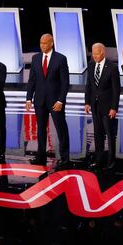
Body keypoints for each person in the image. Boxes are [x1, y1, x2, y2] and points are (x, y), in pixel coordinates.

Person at [25, 34, 71, 169]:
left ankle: (65, 158)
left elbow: (65, 83)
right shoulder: (36, 58)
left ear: (51, 43)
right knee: (40, 128)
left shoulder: (61, 59)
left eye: (45, 43)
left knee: (61, 128)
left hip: (55, 101)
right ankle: (40, 156)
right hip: (39, 100)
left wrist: (61, 100)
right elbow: (32, 79)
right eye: (41, 43)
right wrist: (28, 97)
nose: (42, 45)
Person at [84, 42, 121, 170]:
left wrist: (114, 107)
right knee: (97, 134)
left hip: (108, 107)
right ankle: (98, 160)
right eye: (93, 54)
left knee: (110, 135)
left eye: (96, 54)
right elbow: (89, 86)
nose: (94, 56)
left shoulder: (112, 67)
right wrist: (87, 102)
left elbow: (116, 90)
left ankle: (111, 162)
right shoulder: (91, 66)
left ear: (103, 53)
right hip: (95, 106)